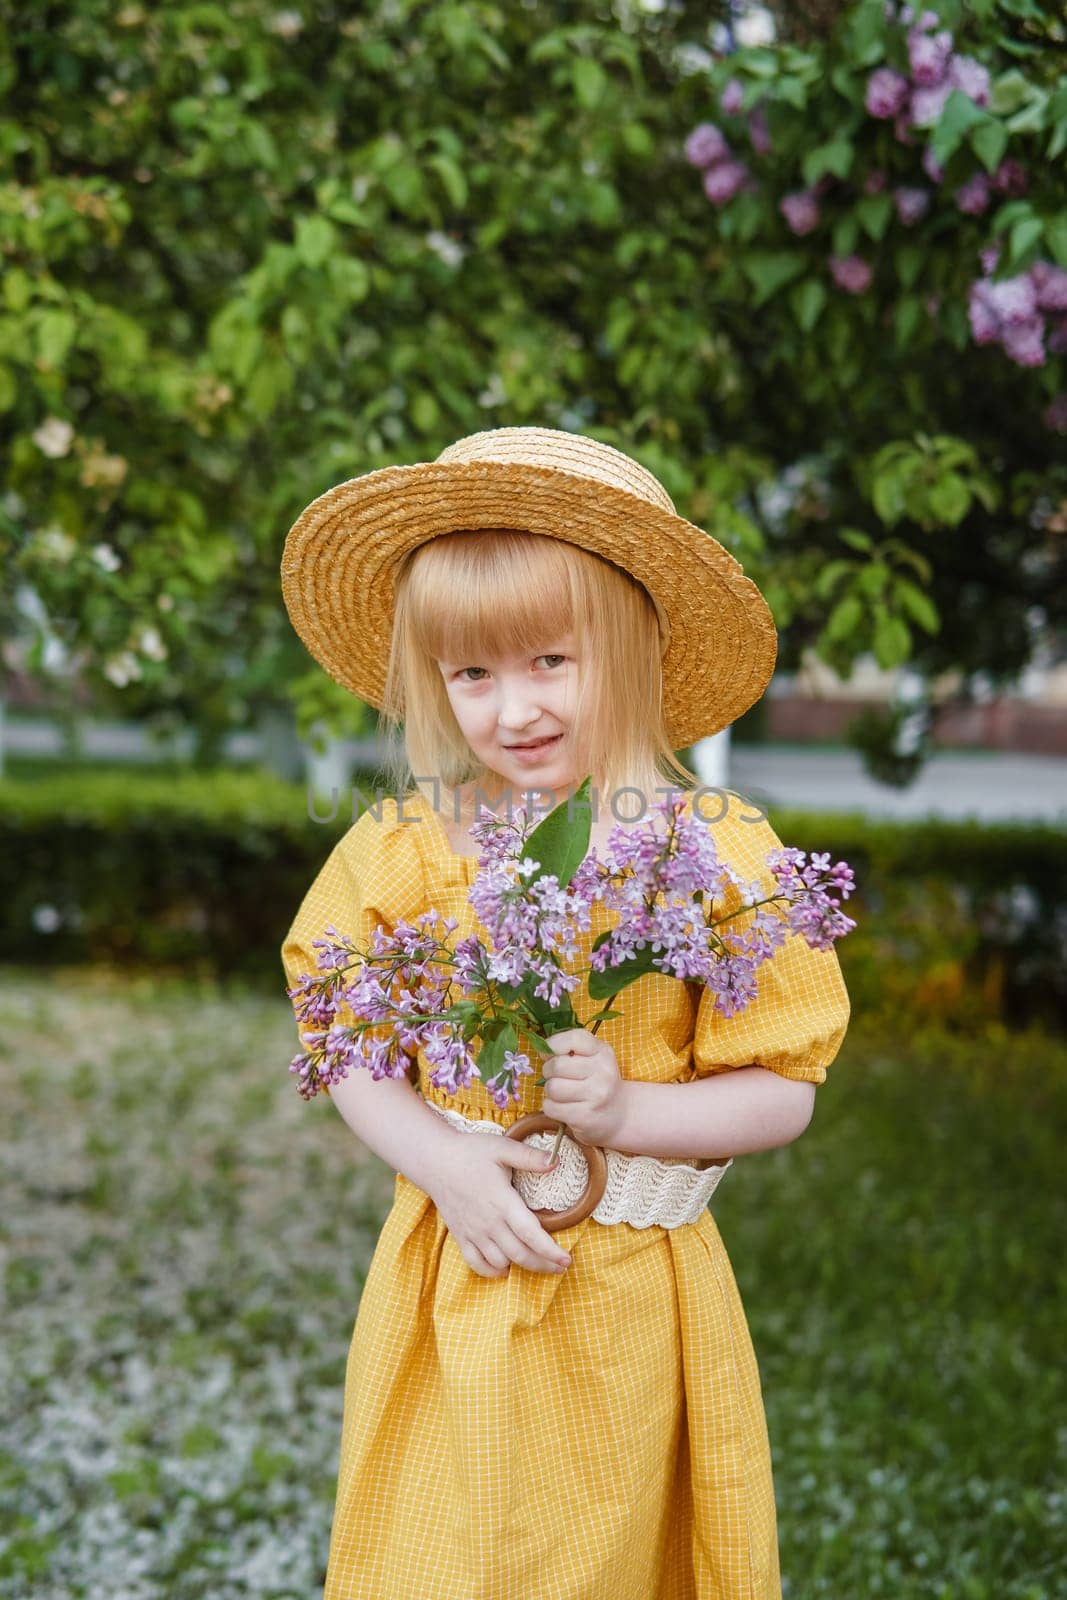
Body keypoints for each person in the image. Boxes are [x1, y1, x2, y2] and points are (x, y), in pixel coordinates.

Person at [279, 426, 851, 1600]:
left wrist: (633, 1105)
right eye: (470, 674)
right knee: (442, 1550)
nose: (511, 708)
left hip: (631, 1300)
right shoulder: (409, 843)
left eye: (550, 659)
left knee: (601, 1555)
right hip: (462, 1277)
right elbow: (345, 1044)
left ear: (634, 646)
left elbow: (782, 1091)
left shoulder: (714, 852)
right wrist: (440, 1157)